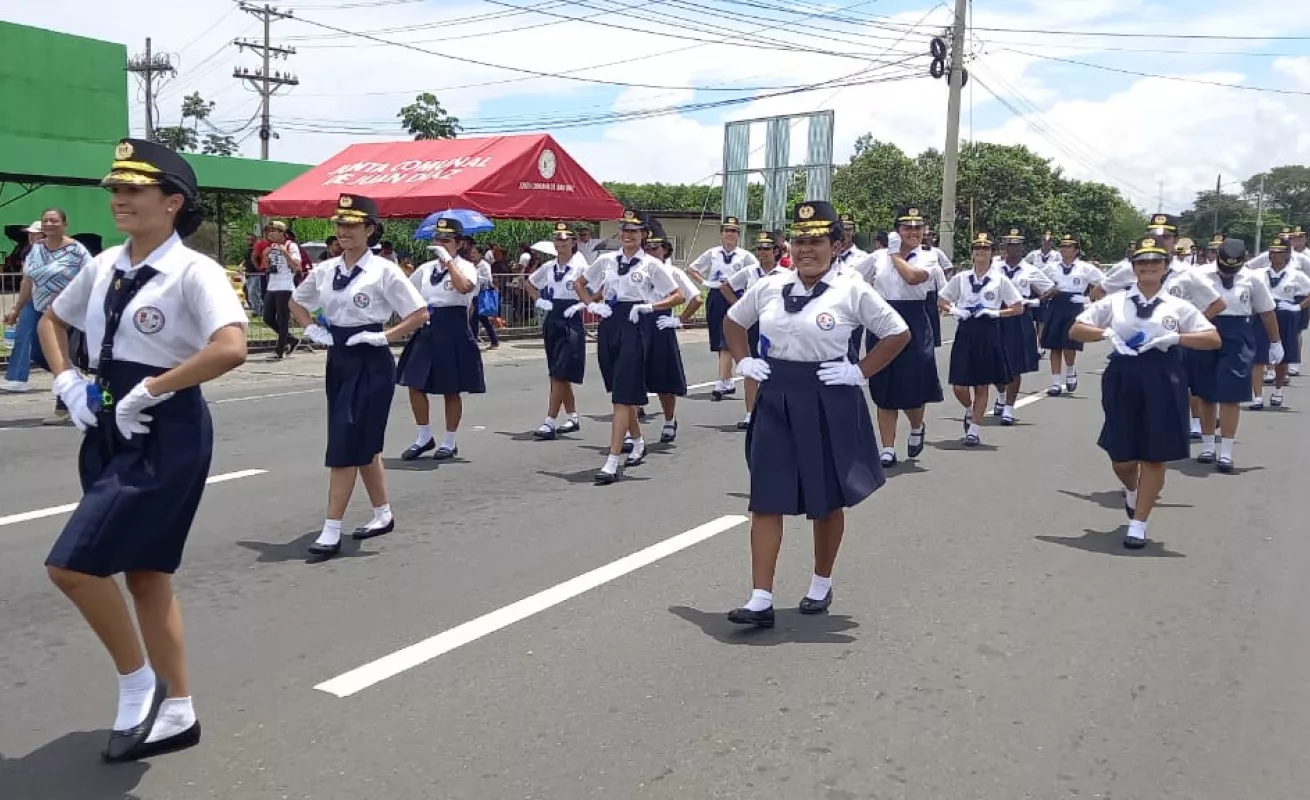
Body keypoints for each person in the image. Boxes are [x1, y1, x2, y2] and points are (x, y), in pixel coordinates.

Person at [36, 138, 249, 761]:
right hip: (107, 417)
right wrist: (66, 379)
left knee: (72, 567)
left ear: (172, 201)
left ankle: (137, 683)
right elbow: (53, 318)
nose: (119, 199)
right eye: (115, 189)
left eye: (133, 189)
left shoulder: (194, 270)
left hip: (164, 425)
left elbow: (231, 346)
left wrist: (150, 388)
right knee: (146, 572)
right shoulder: (105, 266)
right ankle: (178, 708)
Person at [722, 200, 910, 626]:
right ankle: (760, 597)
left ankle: (821, 582)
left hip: (829, 395)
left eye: (817, 241)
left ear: (837, 245)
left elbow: (897, 332)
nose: (807, 249)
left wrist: (859, 371)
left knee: (825, 499)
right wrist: (743, 360)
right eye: (800, 240)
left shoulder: (851, 289)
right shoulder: (771, 286)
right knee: (766, 496)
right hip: (776, 396)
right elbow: (734, 322)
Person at [291, 194, 428, 560]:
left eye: (352, 225)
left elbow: (419, 313)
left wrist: (384, 336)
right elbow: (296, 301)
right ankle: (382, 513)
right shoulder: (325, 269)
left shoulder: (384, 270)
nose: (344, 231)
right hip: (338, 357)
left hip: (371, 358)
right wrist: (311, 329)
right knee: (362, 443)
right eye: (340, 224)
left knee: (346, 442)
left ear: (369, 229)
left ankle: (331, 528)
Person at [1069, 235, 1220, 549]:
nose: (1149, 267)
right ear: (1134, 268)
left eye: (1155, 262)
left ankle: (1138, 523)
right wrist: (1107, 332)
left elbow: (1212, 338)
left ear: (1165, 267)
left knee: (1154, 454)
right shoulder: (1116, 301)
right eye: (1142, 262)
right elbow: (1076, 328)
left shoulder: (1179, 306)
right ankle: (1132, 490)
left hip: (1164, 375)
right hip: (1123, 374)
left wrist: (1177, 339)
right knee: (1121, 454)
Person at [575, 210, 684, 484]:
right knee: (618, 388)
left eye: (634, 231)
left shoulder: (651, 265)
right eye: (624, 230)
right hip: (610, 322)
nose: (627, 235)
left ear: (644, 235)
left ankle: (612, 461)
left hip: (637, 324)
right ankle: (637, 440)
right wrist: (591, 304)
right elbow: (580, 283)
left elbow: (677, 295)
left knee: (622, 396)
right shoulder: (606, 261)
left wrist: (650, 306)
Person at [852, 206, 938, 467]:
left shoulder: (927, 257)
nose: (912, 232)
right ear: (896, 230)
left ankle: (916, 425)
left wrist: (894, 254)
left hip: (913, 320)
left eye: (917, 227)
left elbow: (912, 278)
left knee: (912, 387)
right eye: (906, 227)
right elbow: (852, 277)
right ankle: (887, 447)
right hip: (882, 319)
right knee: (883, 385)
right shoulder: (877, 256)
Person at [395, 218, 484, 461]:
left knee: (450, 389)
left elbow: (464, 287)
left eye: (446, 240)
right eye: (438, 239)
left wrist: (448, 261)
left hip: (452, 327)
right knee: (413, 382)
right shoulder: (425, 269)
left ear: (459, 243)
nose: (440, 244)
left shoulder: (465, 266)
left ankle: (449, 441)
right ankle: (424, 436)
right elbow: (407, 293)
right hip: (428, 327)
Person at [1190, 238, 1281, 471]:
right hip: (1206, 329)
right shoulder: (1199, 274)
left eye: (1233, 267)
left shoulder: (1253, 278)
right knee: (1206, 391)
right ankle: (1208, 445)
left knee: (1232, 393)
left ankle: (1226, 452)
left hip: (1238, 332)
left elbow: (1267, 311)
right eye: (1224, 266)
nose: (1227, 271)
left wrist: (1275, 341)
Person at [3, 209, 93, 426]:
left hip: (68, 310)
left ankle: (63, 408)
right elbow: (27, 281)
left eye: (54, 220)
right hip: (39, 308)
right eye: (45, 221)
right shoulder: (35, 248)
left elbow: (93, 277)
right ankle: (74, 380)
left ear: (64, 224)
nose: (49, 224)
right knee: (37, 352)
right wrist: (16, 309)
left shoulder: (76, 250)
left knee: (62, 355)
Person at [937, 233, 1025, 446]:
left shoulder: (999, 280)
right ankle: (969, 410)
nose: (980, 253)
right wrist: (954, 309)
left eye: (985, 249)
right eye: (977, 249)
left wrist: (996, 313)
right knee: (959, 385)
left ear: (992, 254)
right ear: (972, 254)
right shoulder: (962, 278)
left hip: (988, 330)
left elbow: (1018, 307)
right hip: (966, 329)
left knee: (981, 385)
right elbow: (941, 299)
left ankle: (974, 430)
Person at [721, 229, 791, 430]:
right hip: (752, 325)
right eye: (759, 248)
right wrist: (739, 305)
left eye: (767, 249)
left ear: (776, 252)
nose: (762, 252)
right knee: (751, 368)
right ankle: (751, 412)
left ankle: (778, 411)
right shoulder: (750, 272)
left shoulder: (787, 275)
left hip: (775, 325)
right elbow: (726, 286)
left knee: (775, 368)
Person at [526, 222, 588, 439]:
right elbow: (530, 283)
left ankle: (550, 420)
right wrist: (539, 300)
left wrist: (584, 304)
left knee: (560, 372)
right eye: (557, 239)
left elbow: (600, 287)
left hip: (571, 317)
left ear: (573, 242)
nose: (560, 243)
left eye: (565, 239)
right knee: (557, 371)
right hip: (553, 316)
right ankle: (572, 416)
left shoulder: (581, 266)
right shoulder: (549, 267)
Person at [688, 216, 758, 401]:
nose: (730, 235)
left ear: (738, 235)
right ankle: (727, 380)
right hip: (716, 295)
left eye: (734, 231)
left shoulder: (745, 256)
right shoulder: (713, 253)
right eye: (727, 231)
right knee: (719, 337)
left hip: (736, 296)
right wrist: (704, 282)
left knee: (728, 337)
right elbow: (693, 268)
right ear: (721, 234)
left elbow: (756, 273)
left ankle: (722, 380)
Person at [992, 227, 1054, 424]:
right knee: (994, 363)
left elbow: (1052, 288)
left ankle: (1009, 406)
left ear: (1022, 247)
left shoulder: (1030, 270)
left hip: (1019, 317)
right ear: (1004, 247)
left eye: (1017, 245)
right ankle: (1001, 396)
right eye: (1010, 245)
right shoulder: (994, 267)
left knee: (1014, 364)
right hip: (996, 314)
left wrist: (1037, 300)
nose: (1014, 249)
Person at [639, 219, 690, 443]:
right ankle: (632, 430)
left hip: (660, 324)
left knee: (664, 378)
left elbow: (695, 298)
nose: (651, 252)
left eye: (655, 247)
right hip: (637, 321)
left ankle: (669, 419)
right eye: (647, 248)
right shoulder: (637, 269)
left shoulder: (672, 272)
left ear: (665, 249)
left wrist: (679, 319)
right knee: (632, 375)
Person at [1250, 236, 1310, 408]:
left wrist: (1299, 307)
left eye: (1279, 253)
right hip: (1263, 314)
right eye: (1272, 252)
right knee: (1258, 356)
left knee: (1283, 356)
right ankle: (1258, 397)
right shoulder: (1259, 274)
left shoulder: (1296, 275)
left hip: (1285, 314)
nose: (1274, 256)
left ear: (1287, 255)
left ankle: (1278, 391)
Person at [1040, 233, 1102, 396]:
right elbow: (1039, 282)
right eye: (1063, 247)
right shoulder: (1052, 267)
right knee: (1054, 345)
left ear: (1076, 250)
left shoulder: (1085, 268)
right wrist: (1047, 292)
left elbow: (1102, 282)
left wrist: (1088, 298)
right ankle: (1055, 382)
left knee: (1069, 343)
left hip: (1074, 305)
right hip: (1056, 304)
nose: (1065, 250)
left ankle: (1070, 371)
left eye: (1069, 247)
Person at [258, 220, 301, 361]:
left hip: (285, 286)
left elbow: (296, 266)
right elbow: (266, 267)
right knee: (267, 317)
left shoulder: (291, 246)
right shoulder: (271, 247)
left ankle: (279, 350)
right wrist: (265, 256)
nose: (270, 234)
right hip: (272, 285)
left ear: (282, 233)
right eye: (269, 231)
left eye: (273, 231)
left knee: (282, 319)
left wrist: (285, 253)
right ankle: (291, 339)